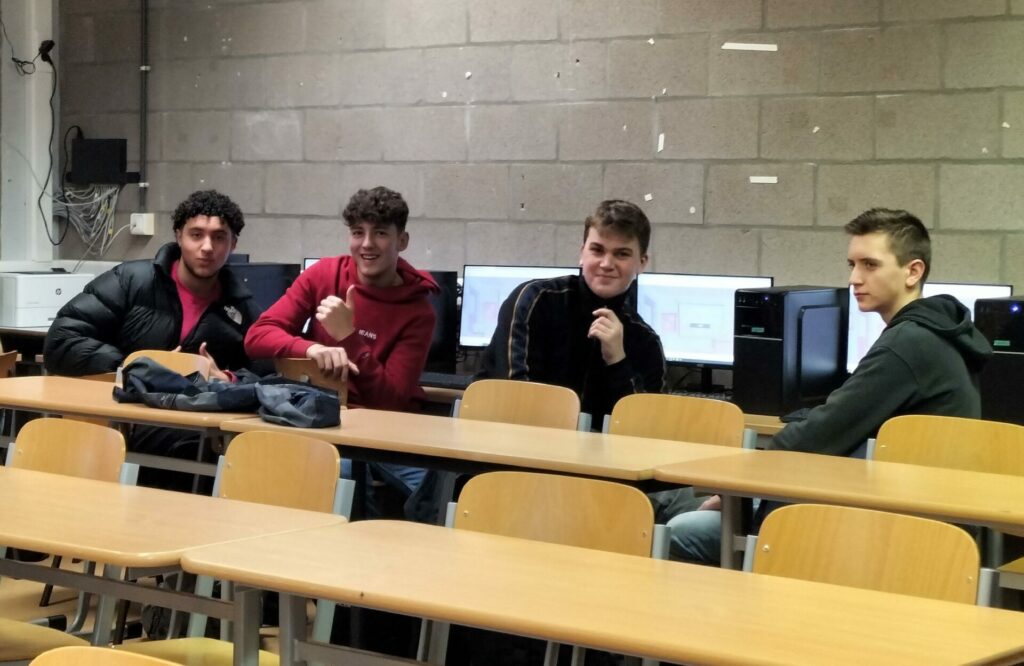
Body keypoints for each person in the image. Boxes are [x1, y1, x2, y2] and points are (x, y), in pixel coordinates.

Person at [670, 207, 993, 563]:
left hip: (890, 529)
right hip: (907, 514)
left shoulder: (909, 343)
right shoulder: (935, 332)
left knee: (683, 530)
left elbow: (819, 434)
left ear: (913, 271)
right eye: (852, 265)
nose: (854, 278)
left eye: (870, 265)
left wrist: (733, 492)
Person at [44, 189, 263, 488]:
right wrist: (140, 368)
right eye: (196, 235)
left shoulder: (242, 308)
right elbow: (61, 340)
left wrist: (227, 379)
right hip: (124, 418)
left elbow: (268, 379)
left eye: (219, 237)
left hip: (193, 428)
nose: (207, 247)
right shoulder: (131, 281)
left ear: (233, 244)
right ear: (178, 236)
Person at [244, 185, 437, 499]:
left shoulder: (419, 311)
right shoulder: (324, 275)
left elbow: (393, 401)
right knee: (333, 470)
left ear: (402, 241)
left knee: (435, 488)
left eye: (380, 233)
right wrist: (312, 349)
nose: (367, 244)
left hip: (385, 430)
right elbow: (258, 336)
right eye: (358, 232)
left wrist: (349, 338)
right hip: (324, 419)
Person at [480, 199, 666, 420]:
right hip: (511, 437)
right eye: (597, 250)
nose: (606, 264)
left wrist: (618, 361)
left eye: (622, 254)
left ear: (642, 263)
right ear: (582, 253)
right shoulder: (535, 301)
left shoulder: (646, 341)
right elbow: (516, 395)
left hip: (598, 443)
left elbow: (645, 424)